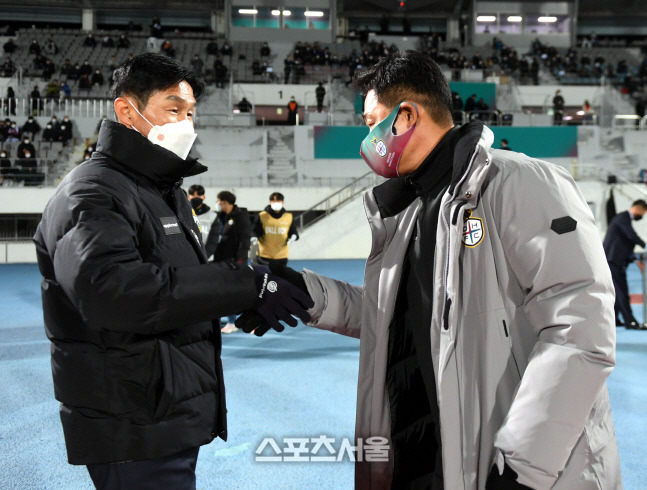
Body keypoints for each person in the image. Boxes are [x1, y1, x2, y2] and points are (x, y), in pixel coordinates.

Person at [238, 50, 621, 489]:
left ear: (404, 117)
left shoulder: (521, 183)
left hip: (510, 467)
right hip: (423, 451)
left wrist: (523, 467)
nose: (367, 139)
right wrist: (310, 295)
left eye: (370, 123)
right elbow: (404, 316)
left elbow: (580, 327)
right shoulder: (406, 210)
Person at [32, 53, 312, 490]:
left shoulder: (164, 192)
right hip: (132, 422)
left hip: (165, 412)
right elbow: (114, 293)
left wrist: (243, 295)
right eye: (173, 109)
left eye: (190, 113)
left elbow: (175, 286)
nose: (185, 123)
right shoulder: (91, 191)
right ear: (127, 110)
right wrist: (245, 286)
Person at [205, 191, 252, 334]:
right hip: (218, 259)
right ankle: (221, 321)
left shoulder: (241, 217)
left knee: (233, 293)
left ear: (225, 202)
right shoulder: (220, 217)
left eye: (219, 202)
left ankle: (234, 322)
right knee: (219, 292)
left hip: (233, 261)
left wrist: (240, 261)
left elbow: (244, 241)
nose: (218, 205)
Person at [604, 200, 647, 330]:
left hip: (615, 260)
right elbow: (631, 236)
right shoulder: (622, 218)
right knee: (622, 290)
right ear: (638, 209)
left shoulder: (623, 219)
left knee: (617, 291)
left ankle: (615, 319)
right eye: (643, 213)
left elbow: (625, 243)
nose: (642, 216)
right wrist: (644, 245)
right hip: (613, 261)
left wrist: (635, 260)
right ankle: (630, 322)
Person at [252, 192, 299, 267]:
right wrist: (254, 237)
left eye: (278, 201)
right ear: (270, 202)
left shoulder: (289, 216)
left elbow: (293, 231)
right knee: (264, 277)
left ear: (283, 202)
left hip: (282, 255)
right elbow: (255, 230)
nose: (276, 203)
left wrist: (294, 236)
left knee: (280, 278)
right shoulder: (262, 216)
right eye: (274, 201)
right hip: (264, 255)